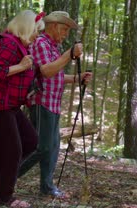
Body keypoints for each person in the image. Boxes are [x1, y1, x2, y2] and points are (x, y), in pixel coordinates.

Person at [18, 11, 92, 197]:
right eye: (64, 29)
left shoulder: (53, 47)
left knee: (53, 147)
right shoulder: (41, 43)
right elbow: (46, 71)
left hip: (52, 104)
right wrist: (70, 54)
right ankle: (6, 174)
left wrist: (77, 78)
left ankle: (47, 187)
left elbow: (57, 75)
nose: (66, 34)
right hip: (42, 102)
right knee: (42, 147)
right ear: (53, 26)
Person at [0, 10, 45, 208]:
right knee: (13, 150)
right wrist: (22, 67)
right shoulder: (8, 43)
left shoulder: (22, 47)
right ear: (26, 28)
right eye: (36, 31)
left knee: (30, 140)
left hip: (11, 105)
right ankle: (4, 197)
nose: (37, 36)